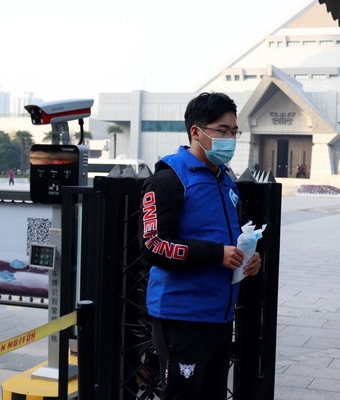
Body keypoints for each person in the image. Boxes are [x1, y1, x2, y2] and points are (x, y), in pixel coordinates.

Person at [139, 92, 262, 399]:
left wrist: (247, 256)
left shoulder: (226, 181)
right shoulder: (169, 180)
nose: (230, 139)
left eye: (234, 132)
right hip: (181, 316)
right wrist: (215, 254)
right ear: (196, 131)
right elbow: (154, 245)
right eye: (222, 130)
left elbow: (226, 238)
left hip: (219, 315)